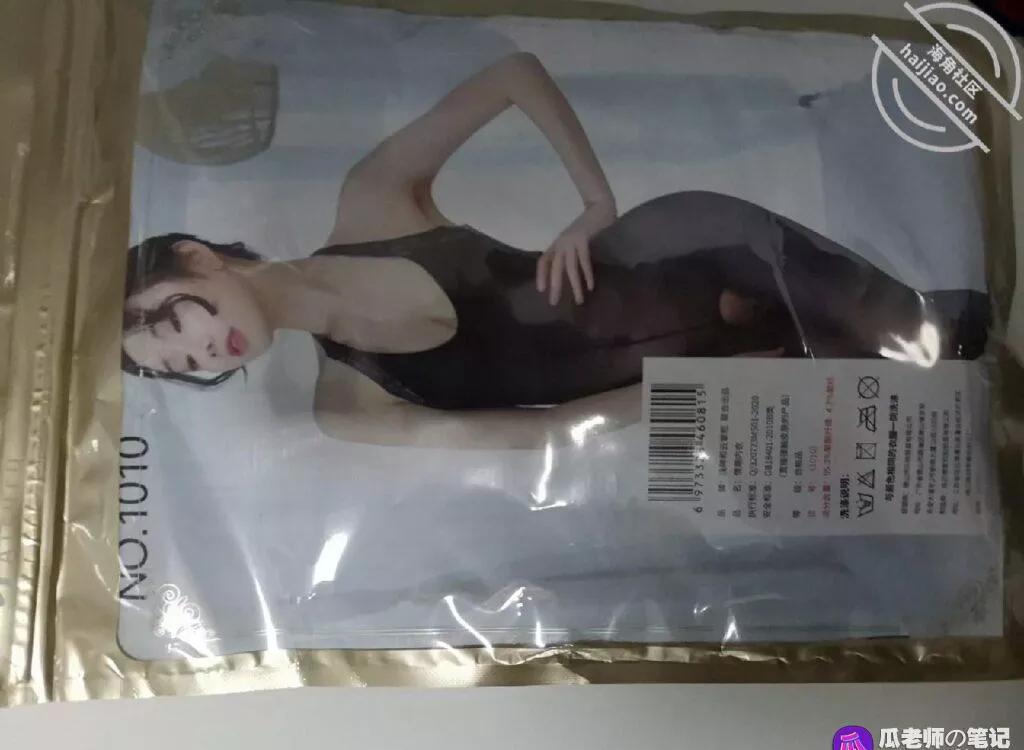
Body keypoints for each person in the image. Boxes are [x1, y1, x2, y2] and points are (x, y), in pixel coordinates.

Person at [122, 53, 990, 449]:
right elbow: (551, 432)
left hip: (692, 252)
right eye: (179, 365)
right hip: (695, 371)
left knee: (941, 336)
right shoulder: (346, 406)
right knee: (926, 408)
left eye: (170, 323)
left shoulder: (371, 200)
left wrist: (593, 204)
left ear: (197, 258)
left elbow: (512, 73)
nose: (200, 352)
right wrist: (707, 393)